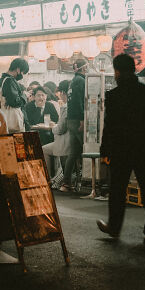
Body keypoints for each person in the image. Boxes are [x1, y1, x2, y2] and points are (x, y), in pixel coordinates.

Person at [96, 54, 145, 245]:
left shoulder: (114, 96)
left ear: (117, 71)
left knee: (117, 190)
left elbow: (109, 127)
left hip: (121, 151)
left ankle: (114, 228)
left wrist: (105, 151)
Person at [60, 57, 87, 192]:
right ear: (84, 68)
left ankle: (66, 183)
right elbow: (78, 101)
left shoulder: (72, 81)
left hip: (71, 120)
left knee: (74, 152)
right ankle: (89, 183)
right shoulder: (80, 81)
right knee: (87, 151)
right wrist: (82, 120)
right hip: (77, 120)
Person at [42, 80, 71, 186]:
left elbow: (61, 129)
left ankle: (49, 178)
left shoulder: (66, 107)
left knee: (44, 149)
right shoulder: (77, 104)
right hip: (72, 141)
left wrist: (53, 127)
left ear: (63, 92)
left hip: (64, 142)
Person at [0, 58, 28, 132]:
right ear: (18, 69)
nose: (22, 75)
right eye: (23, 72)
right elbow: (15, 102)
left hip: (3, 116)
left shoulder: (1, 80)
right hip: (11, 120)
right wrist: (24, 95)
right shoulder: (10, 81)